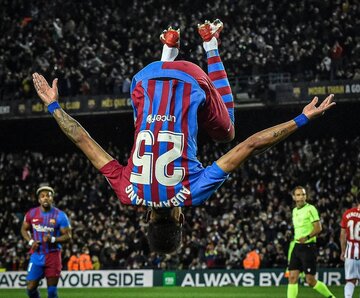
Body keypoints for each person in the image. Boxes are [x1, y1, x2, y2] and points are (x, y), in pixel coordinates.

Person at [32, 19, 336, 254]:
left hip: (190, 78)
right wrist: (52, 104)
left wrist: (303, 118)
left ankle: (210, 46)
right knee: (139, 120)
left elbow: (252, 144)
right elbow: (81, 138)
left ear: (181, 220)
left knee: (228, 132)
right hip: (143, 78)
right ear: (148, 217)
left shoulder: (193, 193)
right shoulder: (127, 192)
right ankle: (167, 51)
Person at [21, 185, 71, 298]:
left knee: (52, 292)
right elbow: (23, 229)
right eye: (42, 196)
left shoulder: (60, 215)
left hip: (53, 255)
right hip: (36, 255)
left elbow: (68, 236)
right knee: (30, 288)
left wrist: (53, 239)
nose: (45, 198)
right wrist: (30, 241)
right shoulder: (31, 213)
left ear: (52, 198)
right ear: (39, 200)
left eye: (48, 196)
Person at [287, 186, 335, 298]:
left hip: (308, 247)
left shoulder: (311, 209)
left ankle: (331, 297)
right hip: (297, 247)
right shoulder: (294, 211)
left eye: (303, 194)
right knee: (292, 277)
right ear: (294, 197)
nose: (301, 197)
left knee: (310, 280)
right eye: (298, 195)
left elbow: (318, 228)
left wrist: (307, 237)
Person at [340, 203, 360, 298]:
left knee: (350, 280)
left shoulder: (347, 213)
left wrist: (343, 251)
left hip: (350, 252)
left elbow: (342, 235)